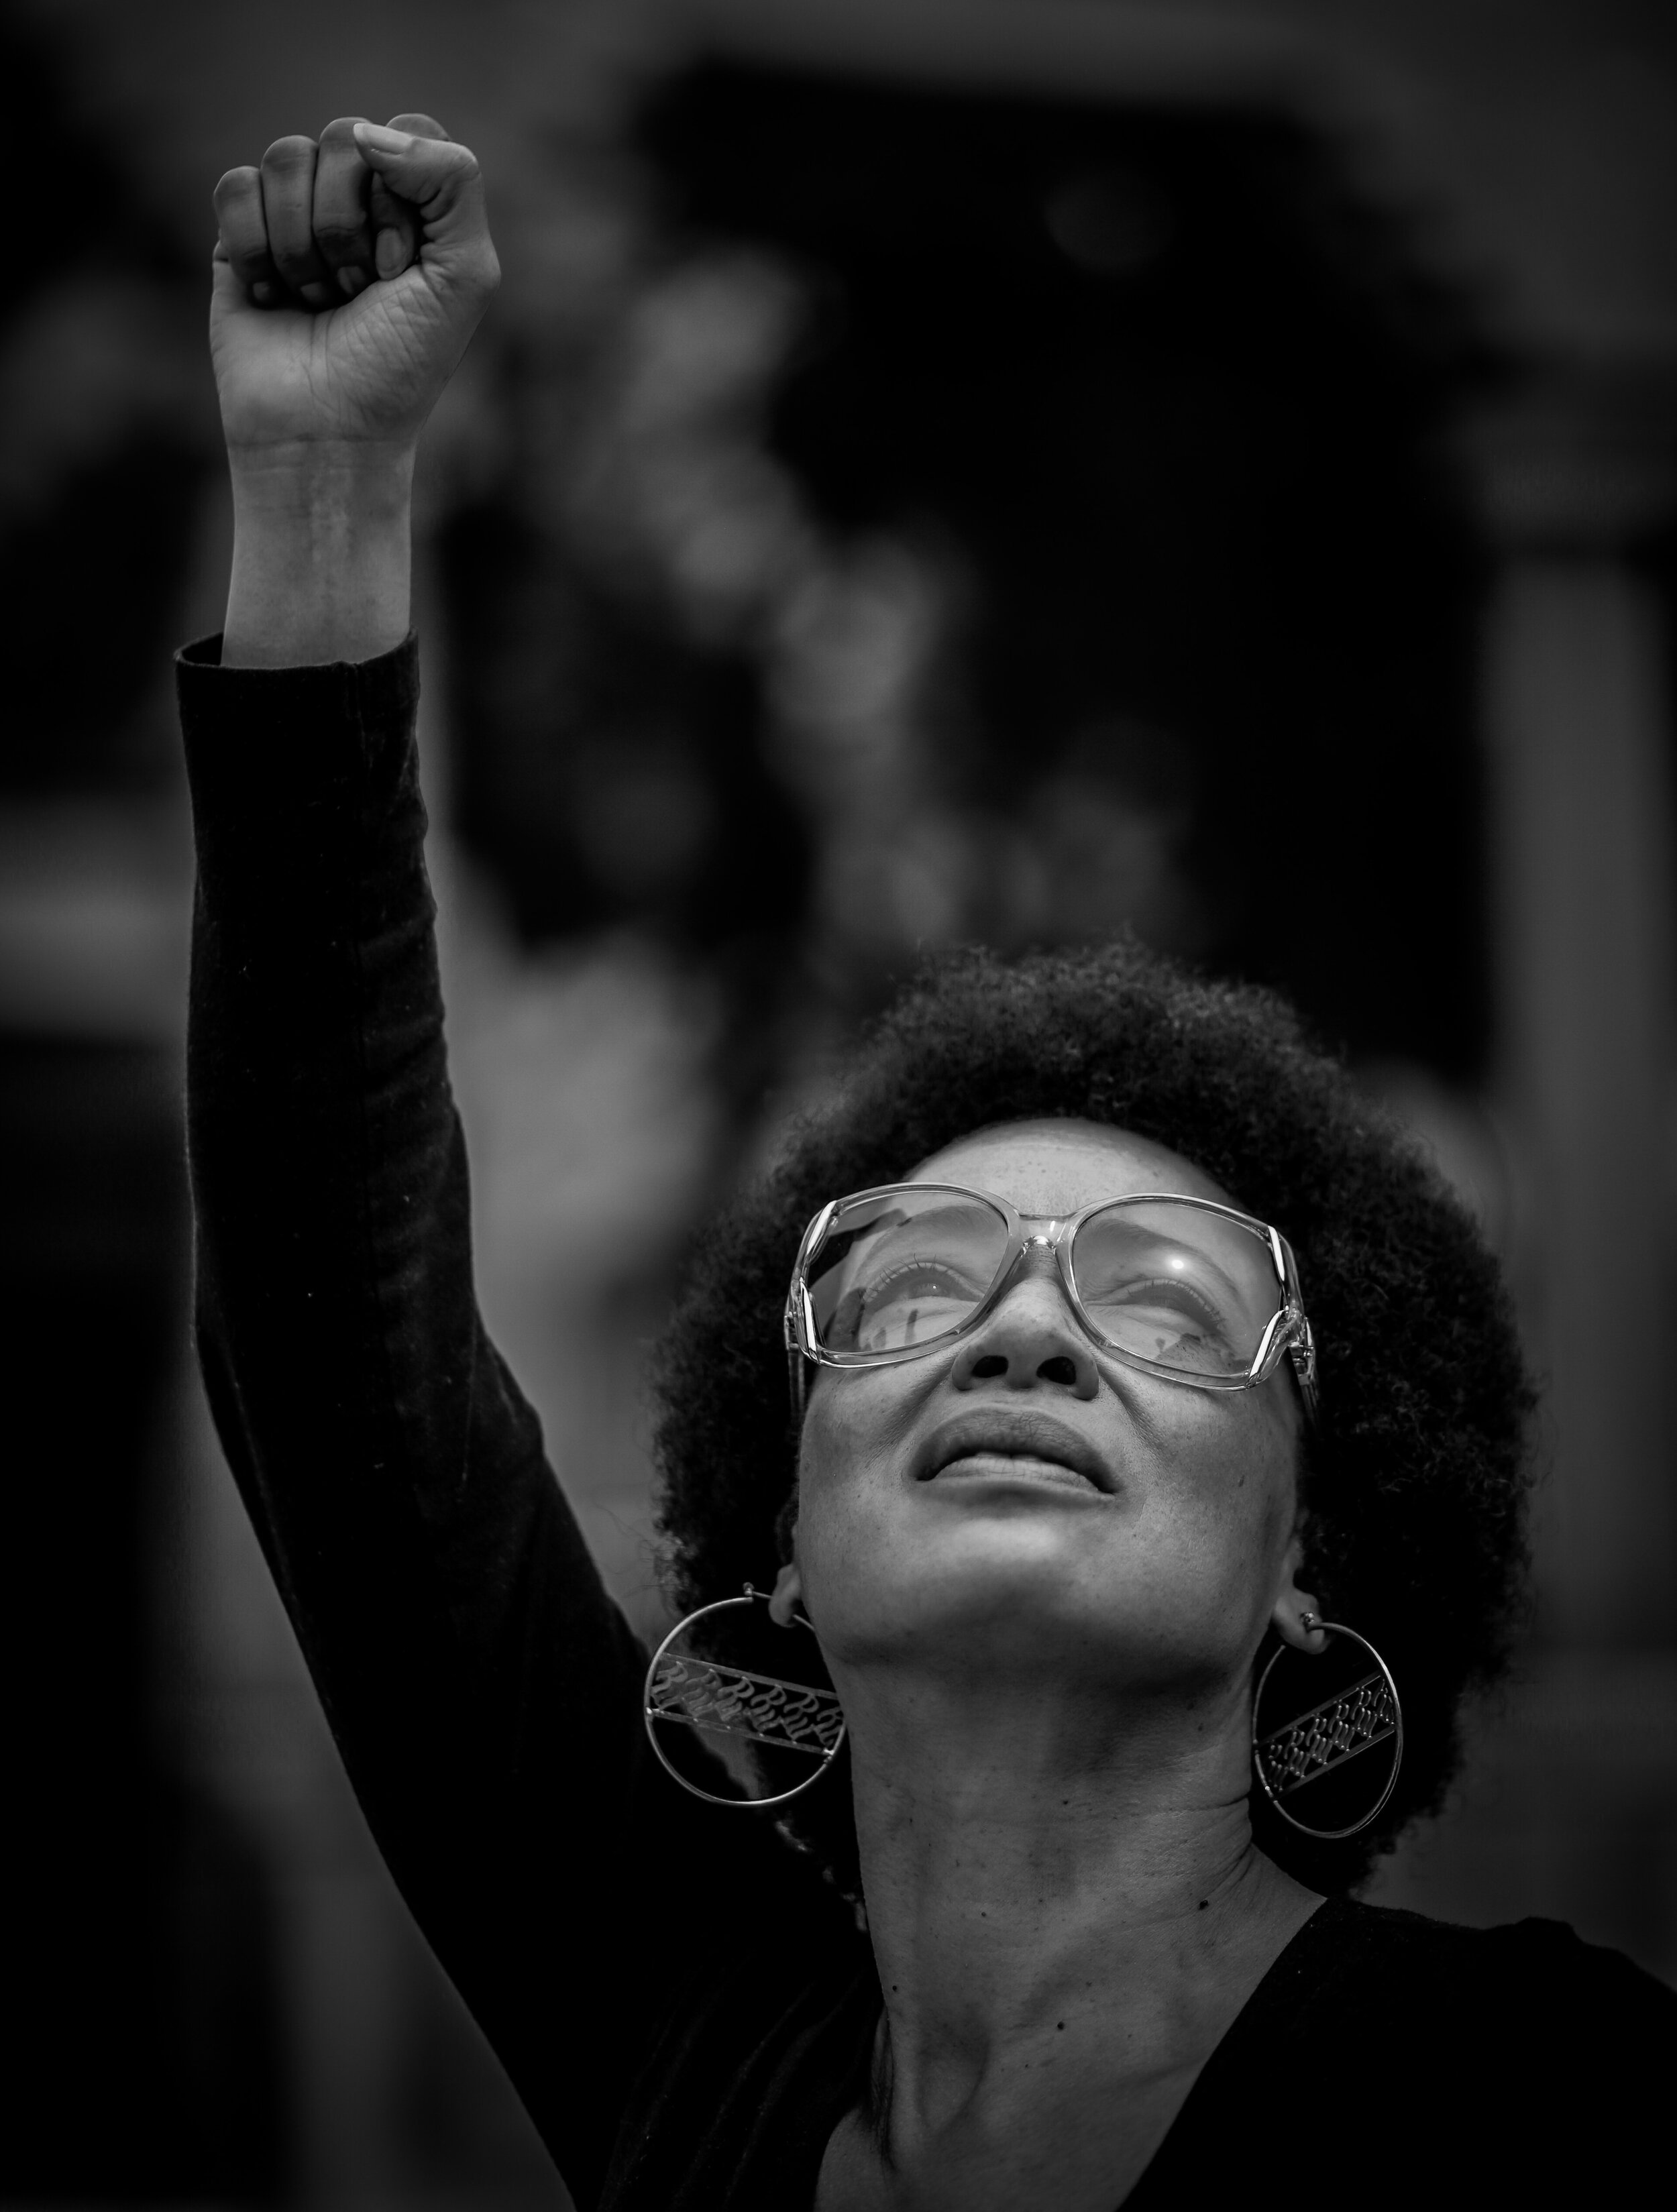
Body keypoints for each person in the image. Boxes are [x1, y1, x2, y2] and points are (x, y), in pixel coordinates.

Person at [182, 117, 1675, 2211]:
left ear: (1307, 1558)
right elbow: (337, 1354)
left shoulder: (1545, 2095)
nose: (1027, 1324)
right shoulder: (683, 2035)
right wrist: (325, 484)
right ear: (777, 1533)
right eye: (907, 1281)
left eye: (1165, 1297)